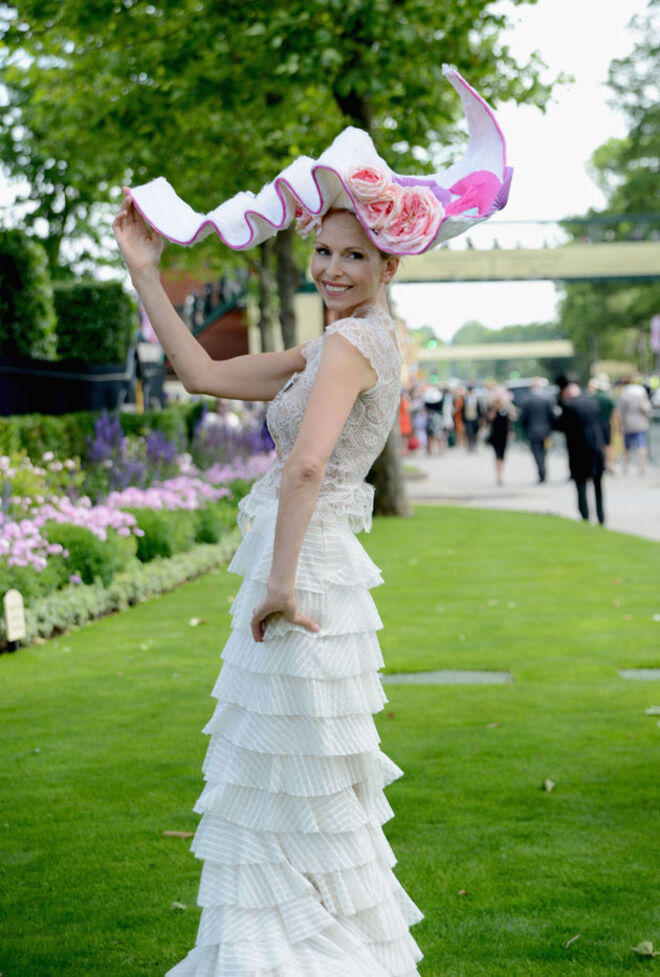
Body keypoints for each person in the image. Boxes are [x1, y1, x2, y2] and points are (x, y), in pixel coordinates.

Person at [115, 64, 512, 977]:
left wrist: (280, 586)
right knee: (291, 782)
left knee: (286, 783)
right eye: (323, 251)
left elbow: (305, 466)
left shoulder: (351, 342)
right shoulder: (342, 338)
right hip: (310, 568)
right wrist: (145, 271)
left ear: (390, 264)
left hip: (306, 576)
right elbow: (204, 375)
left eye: (354, 256)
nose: (332, 269)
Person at [555, 379, 606, 525]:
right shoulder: (593, 403)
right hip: (596, 448)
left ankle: (585, 517)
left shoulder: (570, 406)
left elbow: (561, 425)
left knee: (581, 485)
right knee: (598, 486)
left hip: (578, 450)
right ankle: (601, 517)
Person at [520, 377, 555, 483]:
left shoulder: (527, 400)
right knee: (544, 452)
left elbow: (523, 418)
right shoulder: (548, 399)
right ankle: (543, 470)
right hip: (546, 432)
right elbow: (552, 416)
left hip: (532, 432)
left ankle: (541, 472)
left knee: (536, 453)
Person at [617, 376, 653, 475]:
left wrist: (620, 425)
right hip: (641, 423)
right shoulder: (641, 392)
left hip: (628, 423)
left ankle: (626, 467)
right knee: (641, 445)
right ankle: (642, 467)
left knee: (627, 447)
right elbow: (646, 408)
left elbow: (620, 412)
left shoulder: (624, 394)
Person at [485, 388, 517, 485]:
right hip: (495, 436)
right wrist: (494, 409)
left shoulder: (506, 409)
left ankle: (500, 473)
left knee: (502, 456)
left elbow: (512, 419)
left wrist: (511, 431)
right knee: (497, 455)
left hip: (504, 436)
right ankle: (499, 476)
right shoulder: (492, 409)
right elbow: (488, 420)